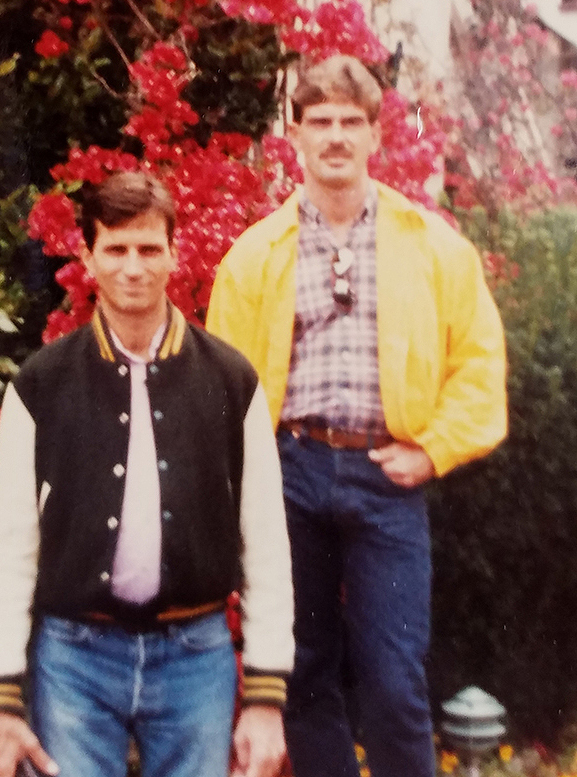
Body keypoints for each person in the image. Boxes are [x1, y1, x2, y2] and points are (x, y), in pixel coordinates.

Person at [207, 54, 507, 777]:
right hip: (290, 474)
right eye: (319, 123)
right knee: (300, 669)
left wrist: (431, 451)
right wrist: (249, 473)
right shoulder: (253, 256)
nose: (334, 137)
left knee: (392, 678)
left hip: (386, 478)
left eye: (350, 122)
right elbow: (220, 383)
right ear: (295, 136)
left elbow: (477, 364)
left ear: (375, 134)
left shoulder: (431, 245)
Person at [0, 172, 294, 777]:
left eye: (149, 249)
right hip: (73, 659)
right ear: (88, 258)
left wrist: (265, 692)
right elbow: (11, 548)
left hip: (196, 659)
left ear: (174, 253)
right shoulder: (42, 384)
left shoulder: (230, 381)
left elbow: (266, 545)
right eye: (116, 249)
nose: (134, 267)